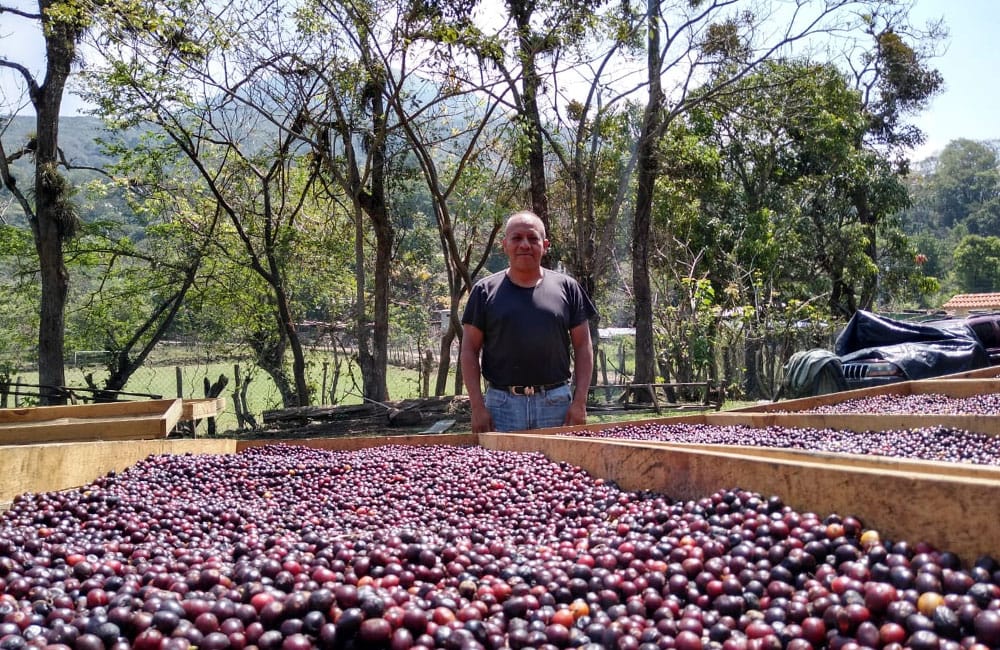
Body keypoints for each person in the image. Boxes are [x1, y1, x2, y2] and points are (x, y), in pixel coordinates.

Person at [461, 210, 598, 433]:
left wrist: (580, 401)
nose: (525, 245)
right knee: (501, 468)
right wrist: (477, 406)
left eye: (533, 238)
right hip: (501, 406)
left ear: (545, 245)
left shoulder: (568, 288)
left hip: (556, 405)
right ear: (504, 244)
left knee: (558, 467)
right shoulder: (484, 291)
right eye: (517, 238)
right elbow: (469, 350)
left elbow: (583, 346)